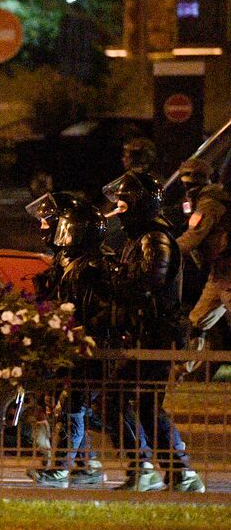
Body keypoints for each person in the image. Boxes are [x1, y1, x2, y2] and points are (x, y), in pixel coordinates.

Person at [101, 174, 204, 492]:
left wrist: (113, 279)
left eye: (123, 204)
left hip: (154, 335)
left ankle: (178, 471)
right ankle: (148, 467)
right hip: (141, 335)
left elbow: (145, 283)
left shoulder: (154, 239)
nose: (118, 211)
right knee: (121, 400)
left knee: (143, 404)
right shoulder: (139, 238)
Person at [27, 201, 115, 488]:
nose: (60, 234)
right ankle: (85, 466)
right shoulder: (71, 264)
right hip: (74, 348)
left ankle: (61, 470)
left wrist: (83, 330)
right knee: (69, 407)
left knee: (73, 408)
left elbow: (102, 310)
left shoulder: (93, 267)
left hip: (90, 349)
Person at [174, 160, 231, 350]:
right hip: (219, 275)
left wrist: (167, 248)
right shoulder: (209, 201)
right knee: (197, 322)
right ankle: (184, 368)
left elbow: (192, 238)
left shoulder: (209, 204)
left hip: (227, 274)